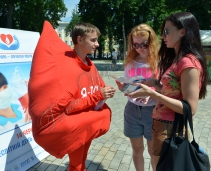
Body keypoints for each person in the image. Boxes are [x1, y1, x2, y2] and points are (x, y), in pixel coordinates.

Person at [28, 21, 116, 171]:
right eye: (93, 40)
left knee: (81, 161)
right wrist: (97, 95)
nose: (97, 45)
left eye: (97, 40)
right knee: (76, 164)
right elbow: (68, 107)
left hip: (87, 121)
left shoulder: (90, 64)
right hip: (76, 125)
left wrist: (105, 92)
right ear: (80, 40)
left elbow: (97, 88)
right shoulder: (67, 67)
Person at [127, 11, 209, 167]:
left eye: (166, 32)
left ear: (182, 31)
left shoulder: (188, 62)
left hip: (170, 128)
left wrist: (152, 94)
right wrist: (157, 85)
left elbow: (189, 109)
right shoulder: (177, 59)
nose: (163, 37)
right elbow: (174, 92)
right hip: (162, 125)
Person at [116, 23, 159, 171]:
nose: (139, 48)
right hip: (132, 109)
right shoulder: (129, 62)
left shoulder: (159, 62)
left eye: (144, 44)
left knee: (153, 152)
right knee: (137, 150)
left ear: (151, 43)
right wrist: (124, 88)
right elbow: (129, 87)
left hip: (153, 110)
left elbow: (165, 89)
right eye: (136, 44)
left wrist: (151, 96)